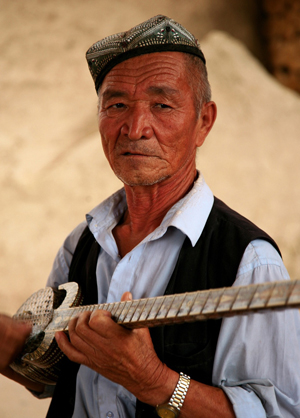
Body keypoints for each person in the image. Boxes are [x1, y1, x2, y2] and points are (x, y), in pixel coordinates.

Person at [1, 15, 300, 418]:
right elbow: (55, 379)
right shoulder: (81, 243)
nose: (136, 127)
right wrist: (13, 344)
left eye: (162, 105)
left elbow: (277, 413)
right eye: (117, 105)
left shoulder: (250, 262)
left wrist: (154, 381)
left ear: (203, 122)